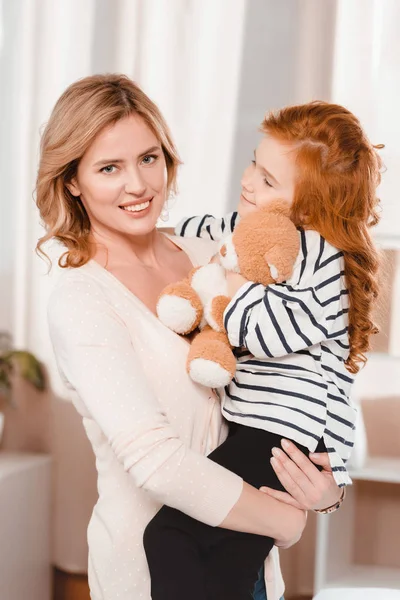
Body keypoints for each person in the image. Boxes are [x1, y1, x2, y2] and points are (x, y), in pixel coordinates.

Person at [36, 74, 345, 600]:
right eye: (109, 168)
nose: (138, 185)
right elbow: (155, 460)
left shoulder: (209, 251)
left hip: (246, 563)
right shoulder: (83, 299)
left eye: (148, 158)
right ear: (71, 181)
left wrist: (324, 491)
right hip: (153, 574)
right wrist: (286, 522)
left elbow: (299, 374)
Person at [143, 101, 383, 600]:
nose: (249, 181)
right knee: (224, 562)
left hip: (281, 437)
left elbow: (267, 331)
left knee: (169, 537)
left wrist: (223, 283)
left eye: (270, 180)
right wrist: (156, 236)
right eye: (254, 161)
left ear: (311, 208)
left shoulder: (324, 261)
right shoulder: (264, 227)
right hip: (263, 429)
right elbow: (205, 229)